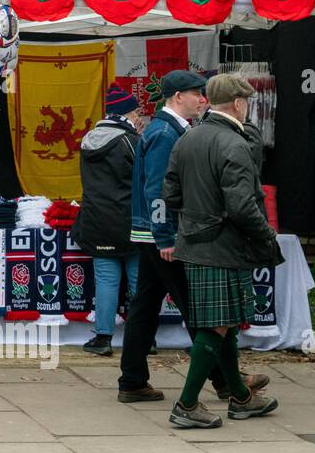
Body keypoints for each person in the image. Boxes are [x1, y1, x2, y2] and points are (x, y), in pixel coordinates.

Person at [118, 71, 266, 403]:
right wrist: (165, 236)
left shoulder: (170, 130)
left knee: (145, 305)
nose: (202, 99)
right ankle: (227, 381)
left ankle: (132, 380)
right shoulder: (165, 133)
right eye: (195, 93)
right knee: (202, 310)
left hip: (152, 234)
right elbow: (157, 191)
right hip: (165, 237)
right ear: (176, 97)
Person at [164, 73, 279, 428]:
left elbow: (171, 194)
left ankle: (241, 399)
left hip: (195, 242)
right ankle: (186, 404)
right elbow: (244, 206)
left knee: (223, 324)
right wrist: (265, 237)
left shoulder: (188, 138)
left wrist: (198, 215)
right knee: (215, 327)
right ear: (240, 103)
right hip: (224, 245)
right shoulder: (235, 144)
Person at [74, 85, 142, 356]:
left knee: (106, 280)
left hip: (95, 221)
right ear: (126, 113)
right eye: (137, 111)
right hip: (129, 222)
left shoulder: (88, 139)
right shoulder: (131, 141)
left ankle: (102, 338)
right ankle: (144, 339)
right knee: (139, 281)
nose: (140, 117)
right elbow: (144, 180)